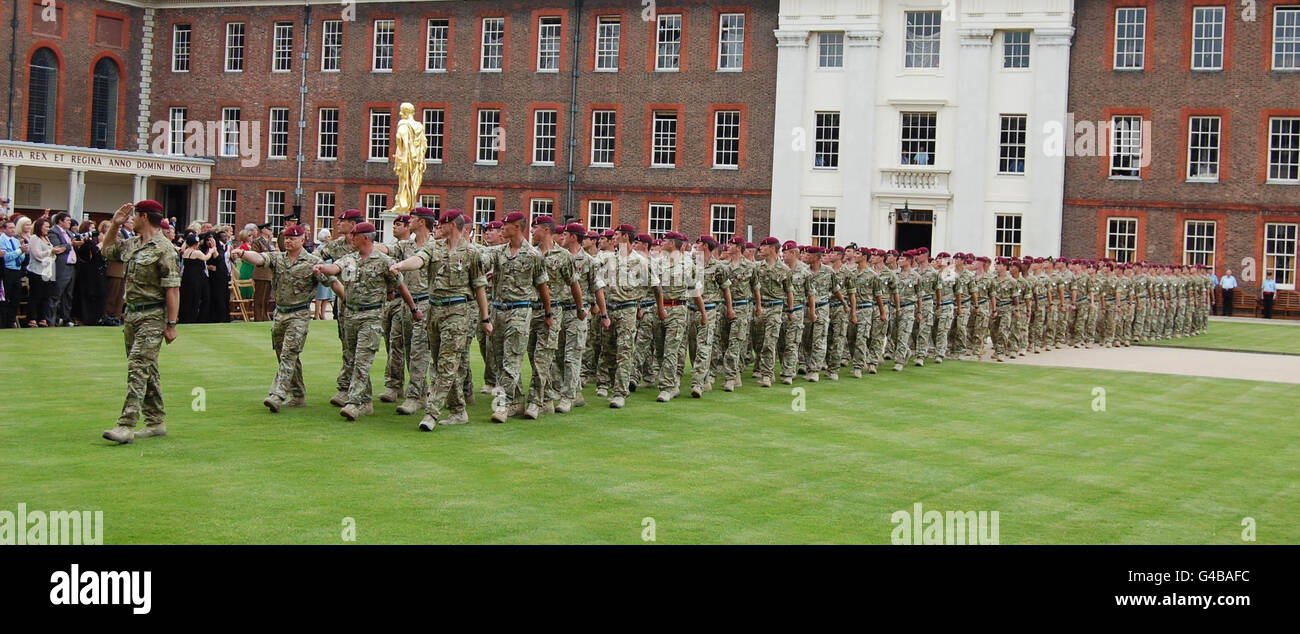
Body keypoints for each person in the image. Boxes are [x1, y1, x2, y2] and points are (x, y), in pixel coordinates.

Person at [389, 209, 492, 430]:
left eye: (442, 224)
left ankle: (431, 413)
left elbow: (480, 287)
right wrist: (401, 265)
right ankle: (458, 410)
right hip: (434, 311)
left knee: (446, 364)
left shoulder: (471, 253)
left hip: (457, 312)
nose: (437, 227)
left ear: (452, 225)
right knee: (441, 363)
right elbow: (418, 260)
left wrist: (485, 318)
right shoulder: (434, 247)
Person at [312, 222, 417, 421]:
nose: (350, 238)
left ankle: (354, 402)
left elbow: (401, 286)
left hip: (372, 316)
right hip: (351, 315)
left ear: (365, 237)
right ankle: (366, 402)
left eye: (355, 235)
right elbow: (335, 267)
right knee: (352, 359)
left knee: (362, 359)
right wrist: (321, 267)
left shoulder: (385, 261)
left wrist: (413, 309)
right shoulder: (349, 258)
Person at [100, 200, 182, 444]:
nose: (131, 220)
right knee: (148, 369)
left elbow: (173, 289)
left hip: (152, 315)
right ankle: (155, 421)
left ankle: (126, 425)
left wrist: (171, 324)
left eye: (135, 216)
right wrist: (114, 227)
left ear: (145, 217)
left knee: (137, 367)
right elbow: (107, 251)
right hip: (132, 314)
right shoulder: (133, 244)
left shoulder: (164, 249)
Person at [232, 225, 332, 412]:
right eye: (286, 238)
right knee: (284, 354)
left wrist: (325, 276)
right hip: (280, 313)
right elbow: (260, 258)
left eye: (293, 238)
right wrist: (243, 254)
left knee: (289, 352)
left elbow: (330, 281)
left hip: (299, 313)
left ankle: (277, 394)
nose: (288, 241)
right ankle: (298, 394)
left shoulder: (313, 261)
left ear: (302, 240)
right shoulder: (278, 258)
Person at [487, 212, 551, 423]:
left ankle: (501, 406)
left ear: (516, 227)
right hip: (498, 310)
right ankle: (516, 400)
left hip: (520, 310)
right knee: (498, 360)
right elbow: (481, 257)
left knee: (512, 359)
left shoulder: (533, 256)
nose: (501, 229)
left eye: (505, 226)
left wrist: (548, 313)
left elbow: (542, 286)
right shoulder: (498, 253)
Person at [47, 212, 80, 326]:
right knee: (56, 293)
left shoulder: (69, 233)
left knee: (68, 295)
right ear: (60, 221)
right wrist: (70, 244)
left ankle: (65, 319)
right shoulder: (53, 232)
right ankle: (51, 320)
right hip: (61, 266)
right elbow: (57, 247)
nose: (69, 222)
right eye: (67, 220)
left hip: (71, 266)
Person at [25, 219, 56, 327]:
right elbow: (37, 255)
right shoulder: (34, 238)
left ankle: (42, 318)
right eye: (46, 226)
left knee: (46, 296)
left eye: (48, 226)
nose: (48, 229)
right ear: (39, 227)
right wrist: (51, 252)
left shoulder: (47, 238)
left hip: (48, 272)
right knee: (35, 295)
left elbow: (52, 256)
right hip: (36, 271)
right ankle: (32, 318)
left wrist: (53, 253)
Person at [178, 232, 214, 323]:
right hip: (195, 278)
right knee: (195, 298)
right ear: (196, 244)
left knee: (187, 298)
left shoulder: (185, 252)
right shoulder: (196, 252)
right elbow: (206, 258)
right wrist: (211, 251)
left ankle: (184, 317)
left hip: (187, 277)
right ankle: (192, 317)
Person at [0, 220, 25, 328]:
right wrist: (19, 251)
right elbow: (6, 257)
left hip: (17, 270)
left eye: (13, 227)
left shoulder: (16, 241)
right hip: (6, 270)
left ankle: (11, 320)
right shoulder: (1, 240)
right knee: (6, 297)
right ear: (4, 229)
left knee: (16, 297)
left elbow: (21, 257)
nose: (12, 230)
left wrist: (22, 252)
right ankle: (3, 321)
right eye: (10, 228)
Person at [313, 228, 335, 319]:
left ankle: (323, 314)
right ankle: (316, 314)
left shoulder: (329, 247)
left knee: (327, 296)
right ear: (324, 238)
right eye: (328, 236)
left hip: (329, 272)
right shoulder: (320, 248)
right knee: (320, 295)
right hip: (322, 272)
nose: (330, 238)